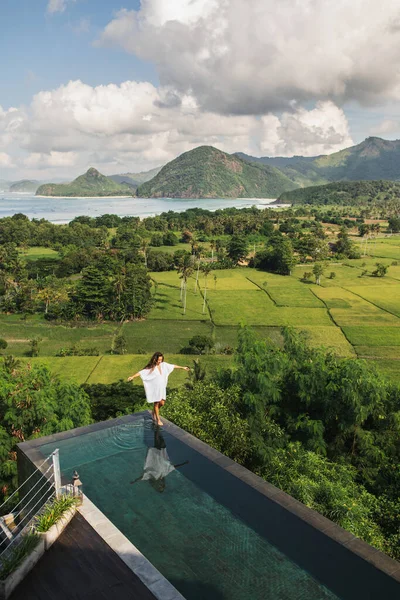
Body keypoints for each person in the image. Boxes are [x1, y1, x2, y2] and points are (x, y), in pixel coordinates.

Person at [127, 352, 189, 426]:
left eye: (161, 359)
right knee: (156, 403)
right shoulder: (151, 367)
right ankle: (158, 419)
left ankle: (154, 412)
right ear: (155, 359)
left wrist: (182, 367)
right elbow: (141, 372)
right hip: (155, 388)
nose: (160, 361)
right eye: (158, 360)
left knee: (162, 403)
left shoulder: (164, 365)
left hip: (162, 388)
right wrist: (133, 376)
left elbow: (173, 366)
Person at [130, 428, 188, 492]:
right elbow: (174, 467)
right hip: (161, 452)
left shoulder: (153, 476)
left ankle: (156, 426)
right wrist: (184, 464)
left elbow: (142, 477)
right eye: (163, 485)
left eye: (160, 486)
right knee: (160, 439)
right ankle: (156, 427)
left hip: (156, 453)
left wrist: (135, 481)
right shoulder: (164, 473)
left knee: (157, 438)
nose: (161, 484)